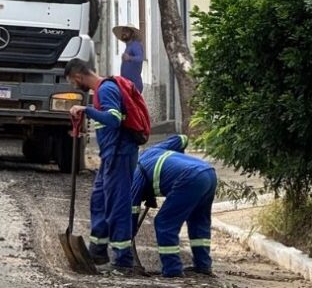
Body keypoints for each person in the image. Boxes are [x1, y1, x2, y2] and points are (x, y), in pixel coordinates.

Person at [65, 58, 140, 274]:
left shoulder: (105, 90)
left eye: (72, 81)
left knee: (117, 206)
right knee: (98, 200)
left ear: (78, 77)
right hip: (109, 156)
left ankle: (123, 260)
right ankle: (98, 250)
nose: (73, 85)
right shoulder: (100, 92)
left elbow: (114, 119)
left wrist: (86, 110)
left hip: (120, 155)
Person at [131, 134, 217, 278]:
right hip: (208, 173)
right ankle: (203, 266)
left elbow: (132, 208)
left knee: (164, 222)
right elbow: (182, 138)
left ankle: (172, 269)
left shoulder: (134, 170)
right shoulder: (151, 151)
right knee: (198, 221)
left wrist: (128, 232)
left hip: (190, 177)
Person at [113, 23, 144, 92]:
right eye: (123, 31)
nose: (124, 33)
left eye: (127, 31)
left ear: (132, 34)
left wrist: (129, 58)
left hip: (133, 85)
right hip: (127, 85)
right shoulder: (128, 46)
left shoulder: (135, 45)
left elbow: (140, 58)